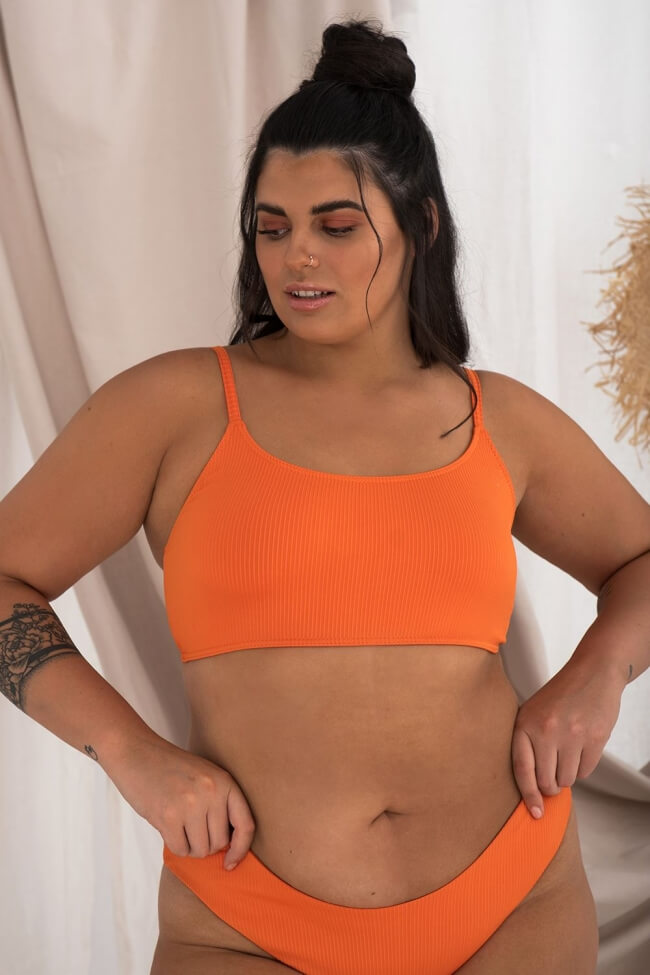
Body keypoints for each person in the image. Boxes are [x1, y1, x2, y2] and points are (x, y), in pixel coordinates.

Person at [1, 16, 648, 975]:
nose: (296, 255)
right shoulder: (175, 405)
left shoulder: (499, 419)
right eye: (272, 228)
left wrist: (594, 679)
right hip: (244, 924)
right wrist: (133, 754)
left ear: (421, 226)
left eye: (336, 227)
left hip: (513, 901)